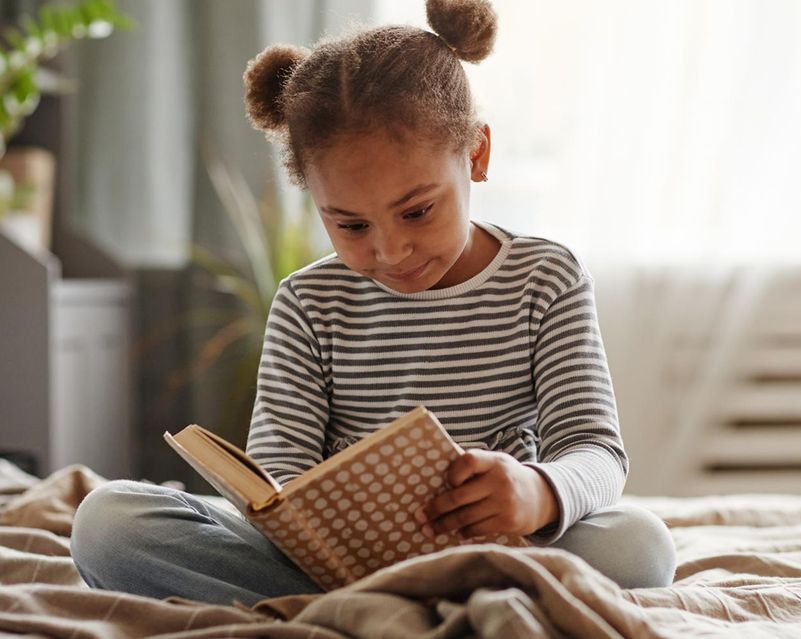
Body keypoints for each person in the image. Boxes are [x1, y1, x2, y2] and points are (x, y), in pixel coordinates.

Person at [71, 0, 676, 606]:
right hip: (330, 562)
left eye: (417, 211)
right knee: (108, 521)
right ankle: (417, 604)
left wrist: (538, 492)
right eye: (350, 225)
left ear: (477, 155)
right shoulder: (308, 303)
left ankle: (361, 608)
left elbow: (595, 449)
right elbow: (277, 474)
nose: (390, 251)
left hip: (498, 546)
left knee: (637, 547)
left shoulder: (546, 278)